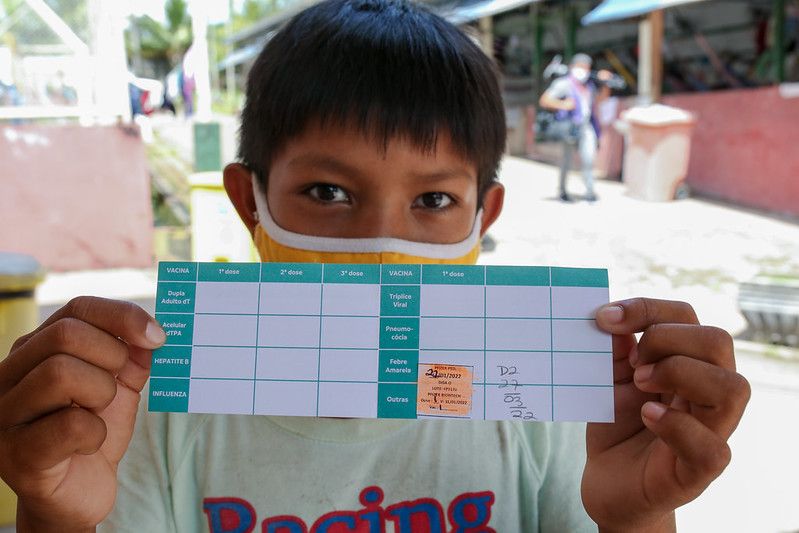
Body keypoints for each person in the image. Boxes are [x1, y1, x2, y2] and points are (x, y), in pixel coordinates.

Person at [1, 1, 750, 531]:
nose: (380, 244)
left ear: (481, 220)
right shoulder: (153, 417)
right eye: (327, 192)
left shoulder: (543, 408)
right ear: (249, 203)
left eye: (432, 198)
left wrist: (640, 518)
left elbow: (620, 504)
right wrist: (53, 516)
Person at [539, 53, 612, 203]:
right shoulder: (563, 84)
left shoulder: (589, 85)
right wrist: (563, 104)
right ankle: (563, 191)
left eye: (586, 67)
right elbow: (545, 100)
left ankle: (590, 191)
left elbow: (601, 99)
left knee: (589, 158)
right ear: (572, 67)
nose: (583, 70)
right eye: (580, 67)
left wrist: (605, 83)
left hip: (586, 126)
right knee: (567, 161)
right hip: (569, 127)